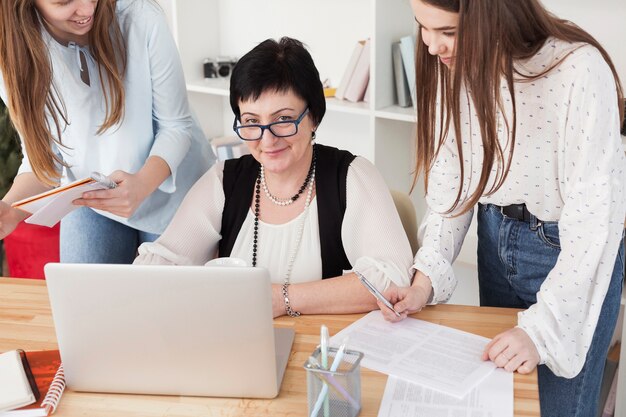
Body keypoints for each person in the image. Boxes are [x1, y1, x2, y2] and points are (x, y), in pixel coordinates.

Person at [378, 1, 625, 416]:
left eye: (449, 32)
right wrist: (424, 280)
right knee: (501, 404)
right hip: (494, 239)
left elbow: (593, 224)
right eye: (422, 26)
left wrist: (542, 332)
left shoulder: (579, 70)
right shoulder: (452, 65)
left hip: (567, 257)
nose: (433, 45)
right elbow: (453, 188)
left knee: (556, 409)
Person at [134, 37, 413, 317]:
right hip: (242, 346)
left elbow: (391, 279)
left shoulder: (352, 176)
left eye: (283, 119)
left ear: (313, 116)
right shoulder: (223, 180)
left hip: (324, 351)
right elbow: (162, 262)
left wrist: (281, 299)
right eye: (252, 122)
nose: (267, 140)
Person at [0, 0, 215, 263]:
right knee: (83, 299)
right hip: (90, 198)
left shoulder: (140, 16)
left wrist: (142, 185)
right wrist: (10, 209)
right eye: (65, 2)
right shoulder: (14, 58)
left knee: (166, 299)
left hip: (173, 190)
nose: (88, 9)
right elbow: (43, 162)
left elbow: (177, 127)